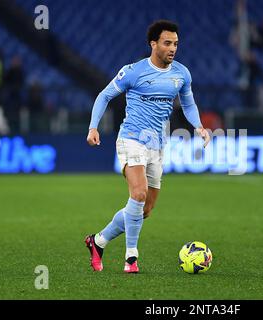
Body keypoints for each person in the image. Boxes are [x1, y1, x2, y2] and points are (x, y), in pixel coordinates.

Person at [84, 20, 210, 273]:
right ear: (153, 44)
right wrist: (93, 127)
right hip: (131, 138)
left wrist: (198, 126)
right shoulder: (133, 71)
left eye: (175, 43)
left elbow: (188, 104)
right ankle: (131, 258)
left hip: (158, 143)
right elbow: (104, 95)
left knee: (145, 209)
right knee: (138, 193)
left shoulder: (181, 74)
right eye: (167, 43)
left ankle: (98, 241)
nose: (172, 48)